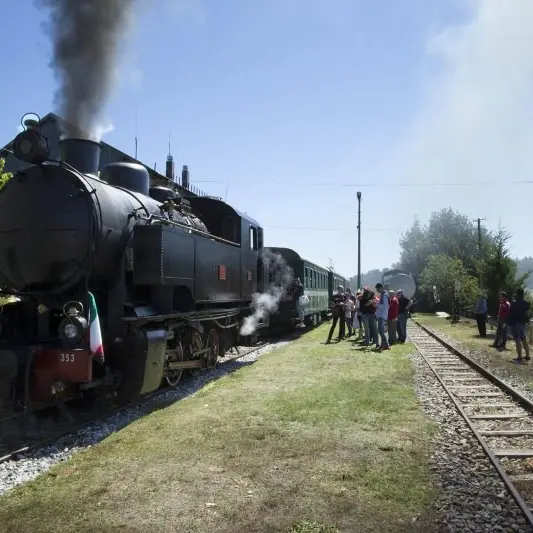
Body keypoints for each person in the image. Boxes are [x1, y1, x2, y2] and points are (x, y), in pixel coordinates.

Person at [507, 288, 530, 364]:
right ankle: (527, 355)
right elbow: (527, 314)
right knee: (524, 339)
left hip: (515, 323)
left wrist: (508, 322)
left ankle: (519, 357)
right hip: (523, 323)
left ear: (516, 294)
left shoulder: (514, 303)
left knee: (517, 339)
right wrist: (527, 322)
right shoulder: (526, 303)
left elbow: (510, 314)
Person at [375, 283, 390, 351]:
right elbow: (381, 304)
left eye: (378, 289)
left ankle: (385, 345)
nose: (377, 291)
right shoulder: (382, 295)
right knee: (381, 331)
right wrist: (377, 303)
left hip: (382, 315)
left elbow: (385, 306)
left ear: (381, 287)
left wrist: (377, 305)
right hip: (380, 315)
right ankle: (384, 345)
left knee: (380, 331)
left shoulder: (385, 295)